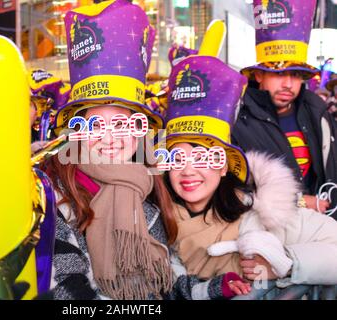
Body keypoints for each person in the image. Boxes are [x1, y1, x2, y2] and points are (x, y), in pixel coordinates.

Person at [44, 0, 250, 300]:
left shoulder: (148, 191)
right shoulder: (56, 196)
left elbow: (167, 281)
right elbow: (66, 290)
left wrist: (217, 287)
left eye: (122, 124)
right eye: (96, 125)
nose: (111, 137)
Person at [164, 55, 337, 287]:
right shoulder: (153, 223)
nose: (188, 170)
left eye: (203, 158)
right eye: (177, 158)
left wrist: (284, 262)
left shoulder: (264, 213)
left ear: (224, 166)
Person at [232, 0, 337, 216]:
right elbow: (231, 190)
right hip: (268, 233)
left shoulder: (316, 109)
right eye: (279, 73)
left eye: (295, 74)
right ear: (259, 75)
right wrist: (297, 202)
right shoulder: (236, 118)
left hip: (323, 227)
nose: (288, 84)